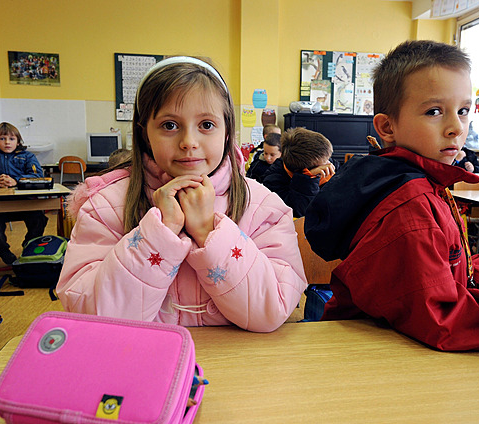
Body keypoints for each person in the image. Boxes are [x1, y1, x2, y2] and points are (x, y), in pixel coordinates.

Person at [303, 40, 479, 351]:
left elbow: (464, 268)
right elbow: (447, 320)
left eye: (463, 110)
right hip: (372, 361)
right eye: (434, 111)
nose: (456, 127)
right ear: (387, 127)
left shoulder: (428, 185)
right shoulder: (411, 207)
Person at [56, 56, 307, 331]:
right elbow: (91, 316)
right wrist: (160, 233)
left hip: (237, 365)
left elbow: (273, 309)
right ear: (144, 134)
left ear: (226, 132)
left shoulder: (262, 206)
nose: (188, 142)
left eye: (207, 125)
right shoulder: (105, 206)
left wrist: (207, 230)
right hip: (141, 364)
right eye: (169, 125)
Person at [0, 122, 49, 265]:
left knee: (39, 218)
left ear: (18, 141)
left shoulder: (27, 156)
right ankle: (4, 251)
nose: (7, 142)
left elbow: (38, 175)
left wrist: (17, 181)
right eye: (2, 139)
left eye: (11, 139)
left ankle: (29, 245)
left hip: (25, 203)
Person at [262, 127, 338, 218]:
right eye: (324, 163)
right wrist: (307, 179)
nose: (329, 164)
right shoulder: (273, 182)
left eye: (328, 159)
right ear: (305, 170)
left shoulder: (324, 161)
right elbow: (302, 215)